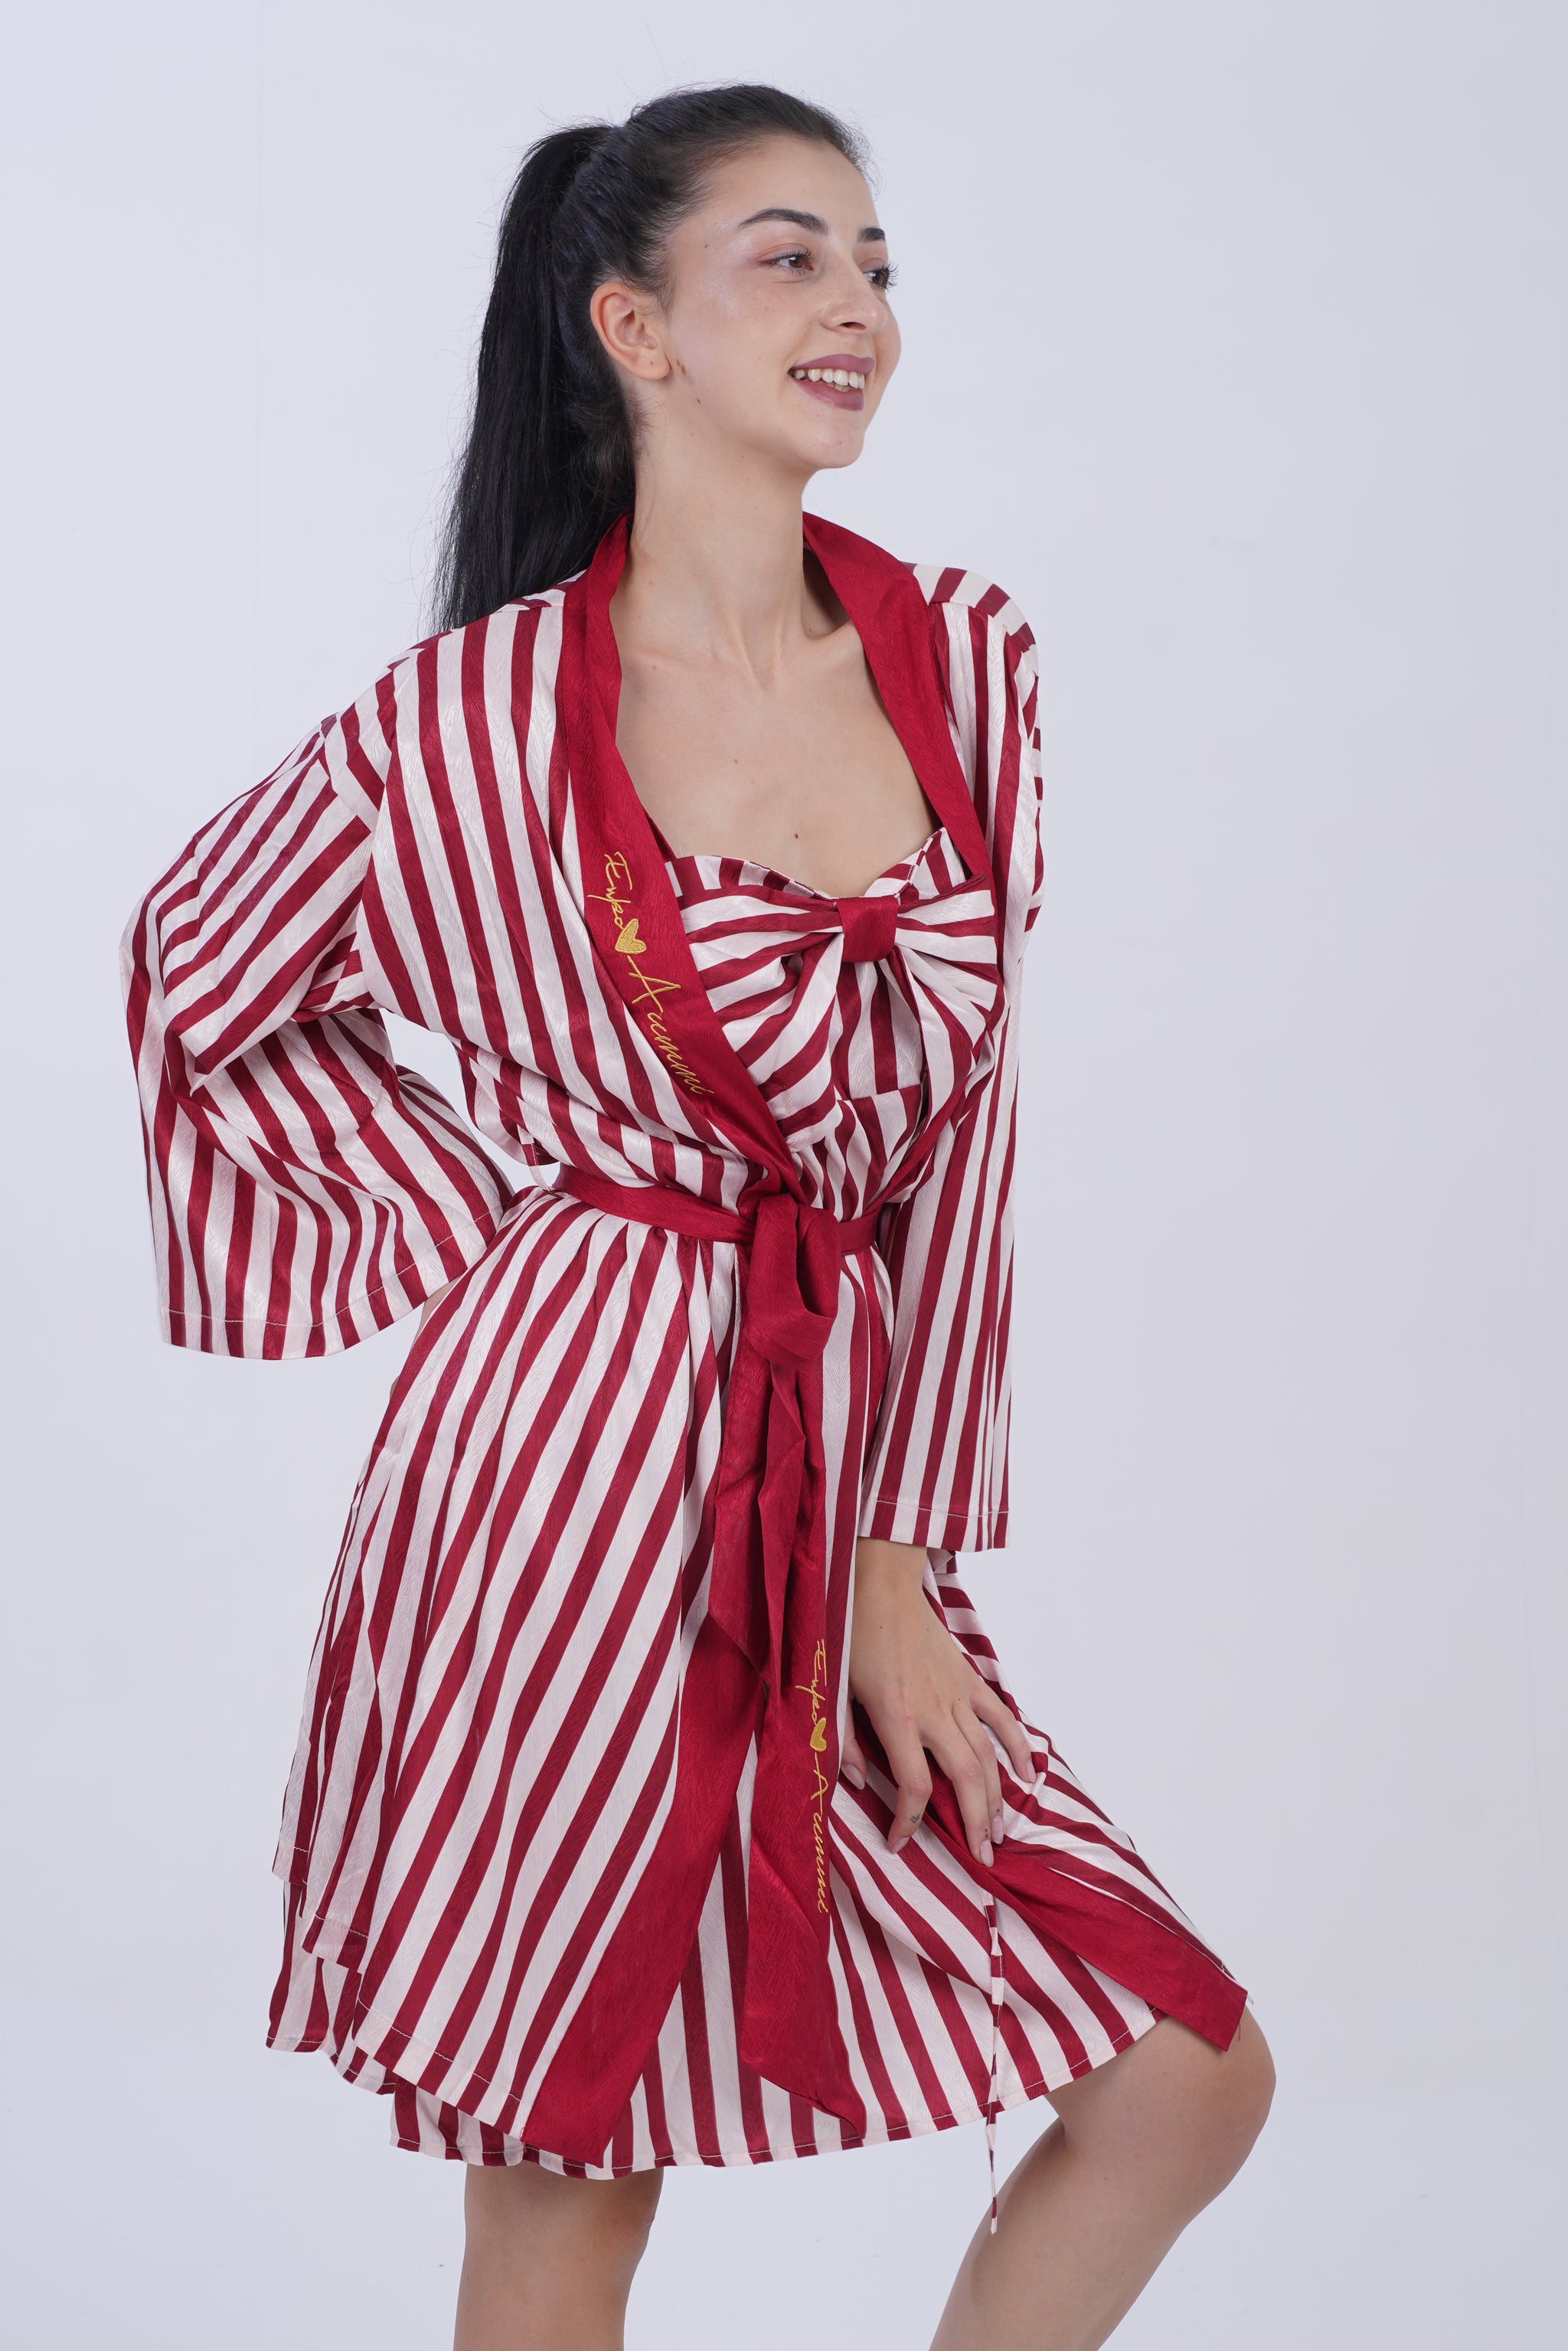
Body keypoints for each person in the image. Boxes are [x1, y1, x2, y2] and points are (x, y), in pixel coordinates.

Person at [121, 83, 1274, 2351]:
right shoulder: (461, 723)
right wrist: (499, 1208)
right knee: (570, 2183)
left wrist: (894, 1564)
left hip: (823, 1482)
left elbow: (962, 1152)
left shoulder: (965, 661)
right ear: (633, 328)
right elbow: (194, 960)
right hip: (552, 1493)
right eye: (790, 255)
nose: (858, 305)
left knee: (1178, 2080)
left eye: (876, 262)